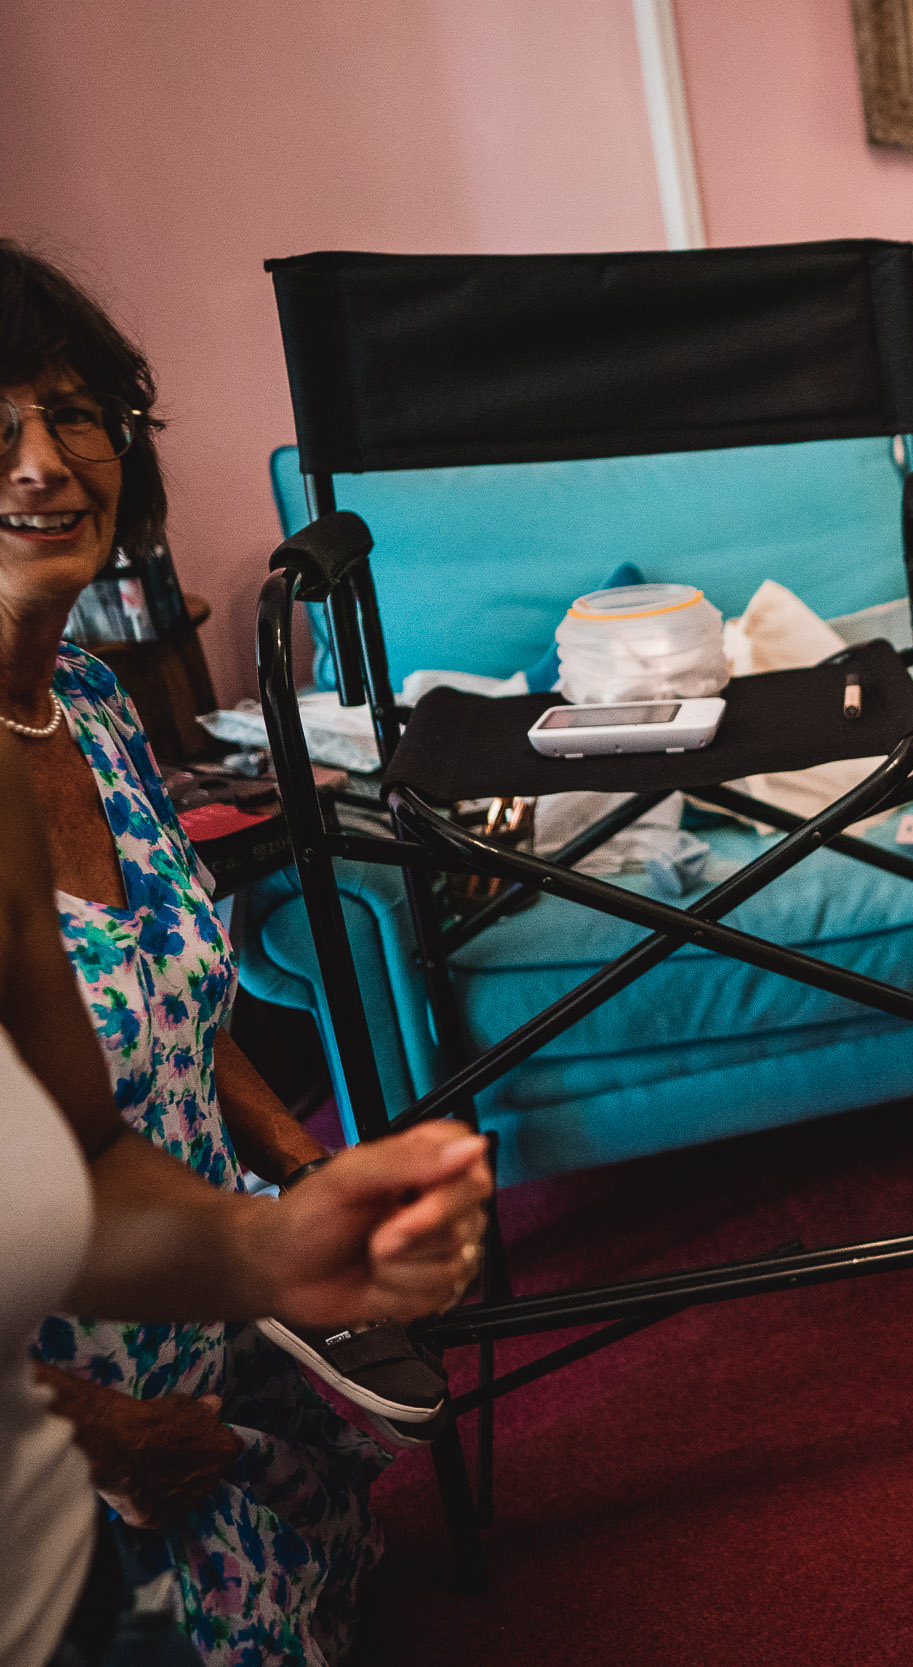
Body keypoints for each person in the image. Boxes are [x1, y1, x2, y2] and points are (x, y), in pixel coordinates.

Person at [2, 239, 450, 1666]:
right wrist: (108, 1433)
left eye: (73, 413)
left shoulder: (87, 694)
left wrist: (296, 1195)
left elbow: (167, 1033)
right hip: (72, 1429)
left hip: (195, 1292)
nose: (41, 464)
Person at [0, 736, 494, 1667]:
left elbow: (88, 1152)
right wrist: (92, 1431)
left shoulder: (51, 736)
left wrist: (278, 1237)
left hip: (143, 1405)